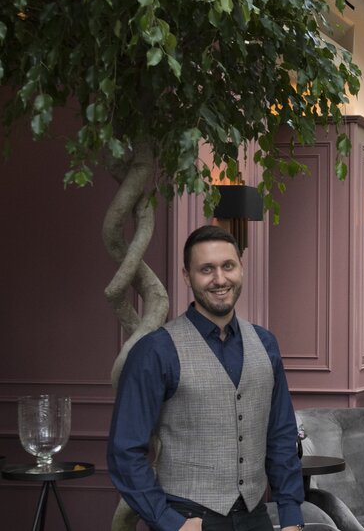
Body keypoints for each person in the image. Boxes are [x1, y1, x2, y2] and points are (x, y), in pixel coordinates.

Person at [108, 225, 304, 531]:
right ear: (187, 276)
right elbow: (124, 451)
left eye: (228, 266)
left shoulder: (266, 344)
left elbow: (280, 434)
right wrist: (168, 521)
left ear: (242, 268)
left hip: (257, 517)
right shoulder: (155, 351)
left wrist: (291, 514)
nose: (220, 279)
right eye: (206, 269)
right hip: (188, 518)